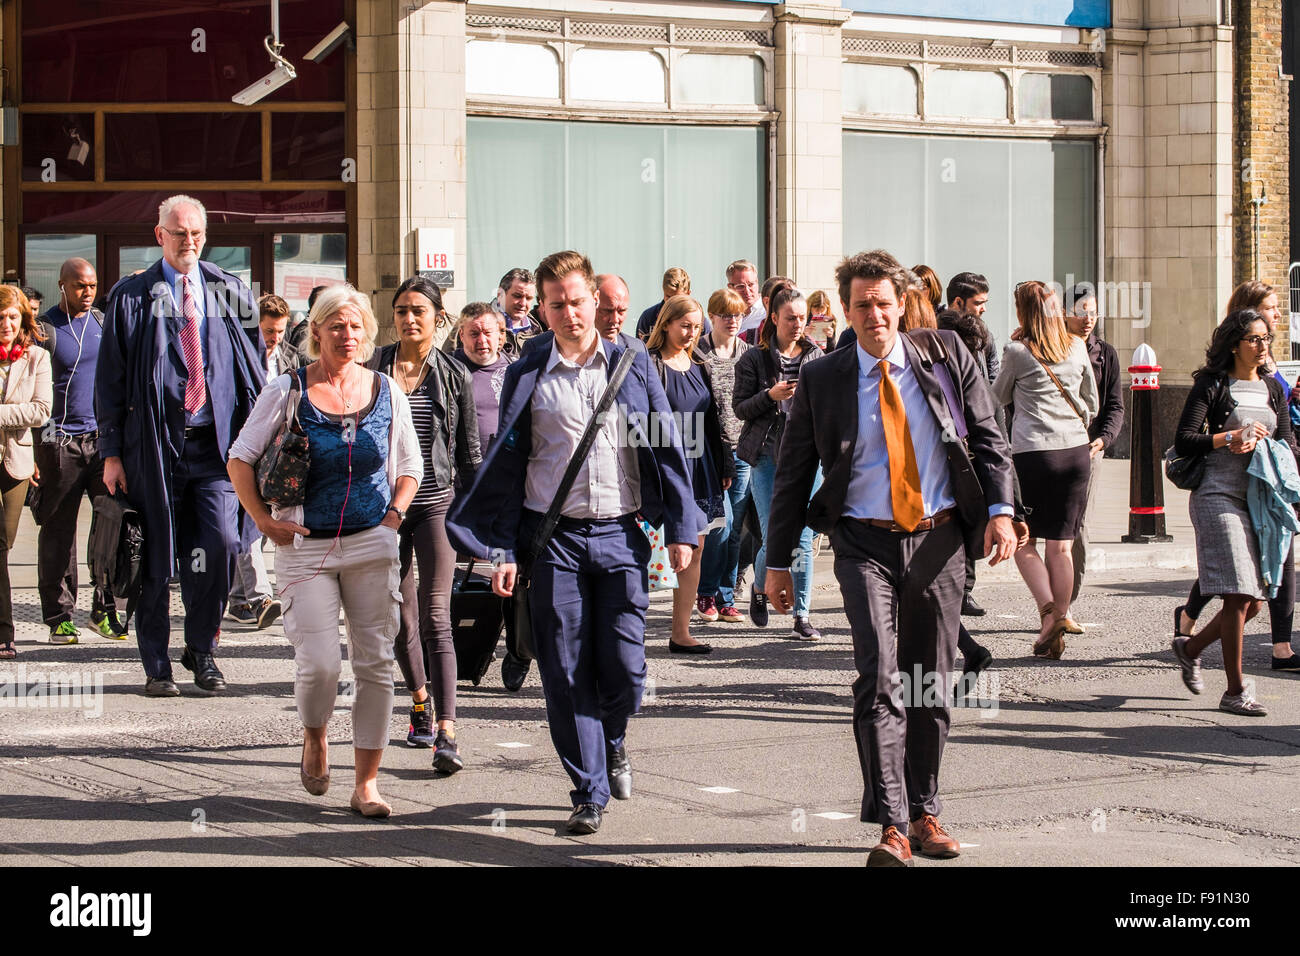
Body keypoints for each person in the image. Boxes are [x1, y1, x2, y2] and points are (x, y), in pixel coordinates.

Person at [764, 249, 1016, 866]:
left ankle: (926, 811)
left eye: (883, 302)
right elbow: (794, 474)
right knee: (879, 677)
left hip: (939, 539)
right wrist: (775, 563)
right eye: (861, 305)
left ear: (901, 304)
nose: (873, 314)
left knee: (928, 680)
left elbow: (988, 436)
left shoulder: (946, 354)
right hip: (862, 542)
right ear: (844, 311)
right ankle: (893, 826)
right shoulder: (824, 378)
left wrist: (1004, 510)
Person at [447, 250, 699, 835]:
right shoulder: (528, 368)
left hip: (621, 533)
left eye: (577, 301)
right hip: (552, 537)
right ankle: (587, 788)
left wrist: (682, 527)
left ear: (595, 303)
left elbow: (666, 446)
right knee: (562, 668)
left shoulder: (632, 365)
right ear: (543, 308)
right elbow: (510, 463)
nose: (569, 313)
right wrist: (502, 550)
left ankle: (612, 741)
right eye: (555, 304)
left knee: (626, 669)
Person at [229, 284, 421, 816]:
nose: (348, 334)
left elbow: (410, 465)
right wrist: (264, 522)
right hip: (304, 545)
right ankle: (315, 735)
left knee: (376, 662)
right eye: (336, 325)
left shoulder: (386, 389)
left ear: (367, 333)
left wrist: (394, 517)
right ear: (316, 332)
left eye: (356, 325)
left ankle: (367, 783)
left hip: (371, 543)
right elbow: (240, 458)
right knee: (318, 665)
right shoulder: (287, 390)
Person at [96, 194, 266, 697]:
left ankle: (202, 649)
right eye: (178, 233)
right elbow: (109, 381)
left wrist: (260, 444)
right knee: (155, 557)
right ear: (159, 236)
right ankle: (156, 665)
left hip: (216, 450)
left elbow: (253, 369)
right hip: (152, 449)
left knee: (219, 547)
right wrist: (110, 453)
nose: (188, 241)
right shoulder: (130, 296)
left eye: (195, 233)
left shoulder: (230, 290)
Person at [368, 276, 481, 767]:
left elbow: (471, 452)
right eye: (401, 311)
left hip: (436, 502)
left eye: (419, 310)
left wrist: (479, 523)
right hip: (385, 509)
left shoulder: (455, 374)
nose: (409, 319)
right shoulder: (372, 369)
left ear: (439, 316)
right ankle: (419, 702)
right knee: (398, 613)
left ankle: (447, 731)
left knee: (437, 615)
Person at [1171, 310, 1295, 715]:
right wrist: (1229, 438)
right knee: (1240, 594)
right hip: (1216, 495)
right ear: (1234, 343)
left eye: (1266, 339)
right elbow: (1185, 440)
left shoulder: (1272, 388)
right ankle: (1235, 691)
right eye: (1255, 339)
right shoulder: (1213, 384)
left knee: (1255, 602)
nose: (1263, 347)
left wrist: (1271, 447)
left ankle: (1190, 648)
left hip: (1260, 500)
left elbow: (1289, 442)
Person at [990, 280, 1098, 660]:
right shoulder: (1078, 346)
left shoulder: (1017, 351)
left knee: (1025, 541)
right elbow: (1093, 403)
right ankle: (1063, 616)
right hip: (1075, 452)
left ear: (1022, 313)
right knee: (1063, 545)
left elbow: (995, 398)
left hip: (1034, 455)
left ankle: (1049, 613)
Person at [31, 258, 126, 643]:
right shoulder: (46, 330)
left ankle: (103, 611)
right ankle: (59, 617)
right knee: (59, 531)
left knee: (110, 528)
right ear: (62, 286)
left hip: (101, 444)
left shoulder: (103, 323)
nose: (87, 293)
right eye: (79, 286)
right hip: (59, 443)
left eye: (91, 286)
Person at [733, 283, 824, 640]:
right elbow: (740, 408)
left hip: (807, 458)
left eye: (803, 318)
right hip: (767, 457)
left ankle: (802, 614)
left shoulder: (816, 357)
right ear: (774, 318)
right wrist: (769, 396)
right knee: (774, 536)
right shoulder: (754, 359)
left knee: (803, 537)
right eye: (790, 318)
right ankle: (761, 586)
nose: (797, 324)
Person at [647, 295, 733, 653]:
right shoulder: (649, 364)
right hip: (659, 467)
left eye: (697, 327)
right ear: (666, 323)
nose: (691, 333)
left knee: (695, 550)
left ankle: (680, 632)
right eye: (685, 325)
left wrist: (724, 463)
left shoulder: (701, 363)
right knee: (648, 552)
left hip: (700, 466)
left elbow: (714, 420)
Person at [227, 293, 296, 629]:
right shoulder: (237, 356)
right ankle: (260, 597)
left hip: (279, 456)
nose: (274, 338)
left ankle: (239, 600)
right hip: (244, 452)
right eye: (269, 331)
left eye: (281, 331)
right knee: (249, 524)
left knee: (258, 527)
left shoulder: (289, 358)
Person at [935, 278, 1001, 620]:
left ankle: (965, 590)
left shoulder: (982, 336)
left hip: (972, 435)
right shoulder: (937, 332)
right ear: (958, 302)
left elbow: (991, 376)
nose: (984, 308)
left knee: (972, 514)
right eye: (979, 302)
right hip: (944, 440)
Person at [0, 287, 53, 660]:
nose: (6, 324)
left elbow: (40, 411)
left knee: (4, 544)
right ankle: (5, 631)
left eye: (12, 317)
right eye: (0, 317)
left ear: (23, 320)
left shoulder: (37, 358)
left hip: (16, 464)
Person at [1064, 284, 1124, 603]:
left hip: (1089, 448)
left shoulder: (1106, 354)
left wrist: (1104, 439)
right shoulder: (1053, 349)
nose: (1088, 319)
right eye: (1080, 312)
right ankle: (1051, 597)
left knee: (1077, 523)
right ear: (1065, 314)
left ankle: (1067, 602)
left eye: (1093, 312)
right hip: (1052, 447)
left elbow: (1115, 405)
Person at [697, 287, 751, 624]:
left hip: (744, 448)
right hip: (713, 451)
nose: (732, 320)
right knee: (721, 523)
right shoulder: (699, 352)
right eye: (725, 314)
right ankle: (705, 591)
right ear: (712, 316)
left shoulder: (748, 352)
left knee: (736, 530)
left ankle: (726, 596)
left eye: (737, 314)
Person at [451, 302, 512, 449]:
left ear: (499, 334)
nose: (482, 340)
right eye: (474, 333)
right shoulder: (448, 369)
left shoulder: (515, 369)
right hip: (462, 469)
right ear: (462, 335)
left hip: (505, 465)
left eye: (487, 333)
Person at [636, 267, 712, 340]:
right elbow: (640, 349)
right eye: (668, 297)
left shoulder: (699, 322)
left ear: (688, 294)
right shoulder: (648, 317)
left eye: (678, 298)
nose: (673, 302)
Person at [495, 268, 542, 359]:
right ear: (500, 295)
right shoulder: (480, 325)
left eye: (528, 298)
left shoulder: (537, 331)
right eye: (517, 296)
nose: (523, 303)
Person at [594, 273, 644, 350]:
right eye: (607, 311)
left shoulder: (637, 349)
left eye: (621, 311)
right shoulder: (572, 350)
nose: (615, 319)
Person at [727, 259, 765, 337]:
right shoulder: (725, 314)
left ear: (757, 282)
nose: (747, 291)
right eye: (741, 286)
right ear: (730, 288)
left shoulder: (767, 311)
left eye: (751, 284)